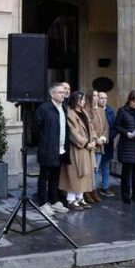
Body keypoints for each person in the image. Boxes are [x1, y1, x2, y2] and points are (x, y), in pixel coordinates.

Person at [33, 83, 70, 216]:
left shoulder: (64, 108)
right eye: (60, 92)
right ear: (52, 94)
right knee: (44, 177)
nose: (63, 94)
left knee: (56, 177)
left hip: (60, 149)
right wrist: (44, 143)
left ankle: (54, 201)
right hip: (47, 149)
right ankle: (43, 203)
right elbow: (36, 128)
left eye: (63, 92)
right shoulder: (44, 108)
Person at [59, 91, 97, 211]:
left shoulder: (84, 112)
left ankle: (80, 198)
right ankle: (71, 200)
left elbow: (91, 127)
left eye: (84, 99)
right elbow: (72, 132)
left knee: (84, 174)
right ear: (75, 100)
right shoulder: (70, 113)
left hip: (87, 149)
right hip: (76, 149)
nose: (84, 101)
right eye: (82, 99)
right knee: (74, 174)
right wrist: (86, 143)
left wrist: (95, 139)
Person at [88, 90, 109, 202]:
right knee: (91, 169)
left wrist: (103, 138)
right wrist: (95, 140)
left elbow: (106, 127)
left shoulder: (101, 110)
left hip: (101, 144)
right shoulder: (88, 110)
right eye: (94, 95)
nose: (96, 97)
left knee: (96, 170)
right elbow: (89, 127)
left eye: (97, 95)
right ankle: (90, 190)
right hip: (92, 144)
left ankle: (93, 189)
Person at [98, 92, 117, 197]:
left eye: (105, 98)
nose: (103, 100)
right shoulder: (93, 110)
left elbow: (114, 127)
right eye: (101, 98)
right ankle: (91, 189)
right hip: (96, 144)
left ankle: (105, 187)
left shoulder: (110, 111)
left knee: (105, 166)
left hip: (107, 143)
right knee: (95, 167)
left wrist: (109, 137)